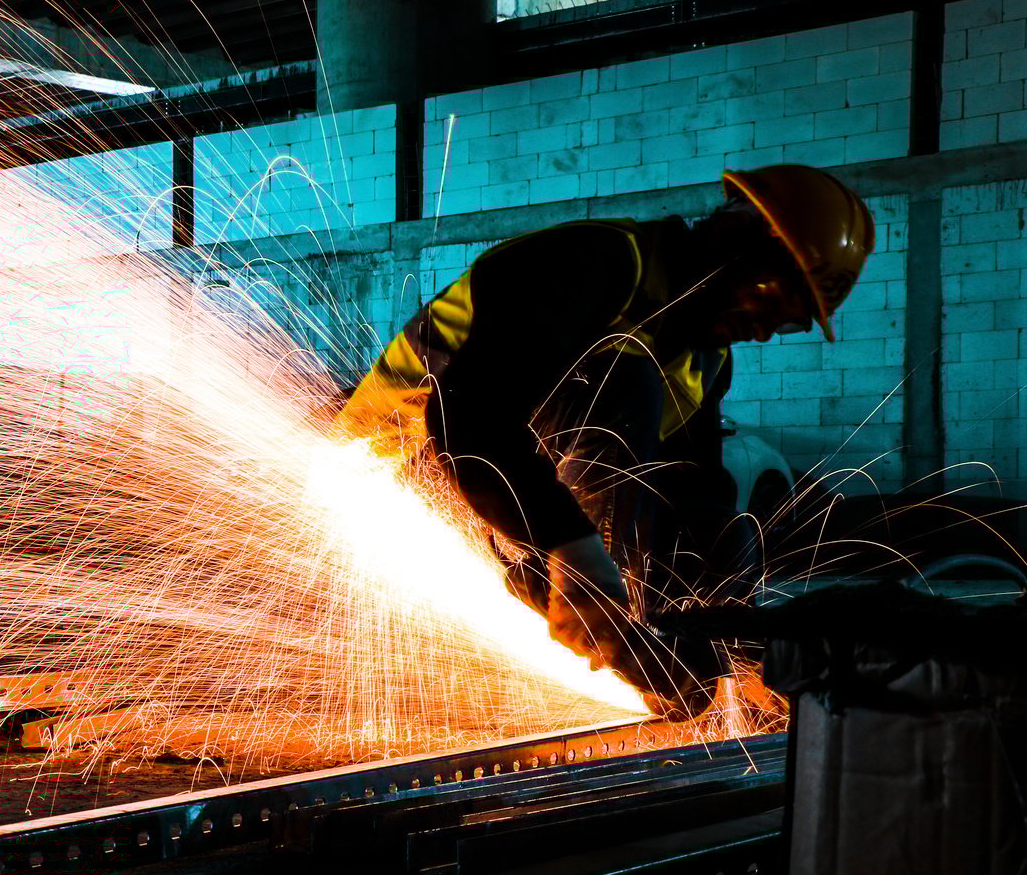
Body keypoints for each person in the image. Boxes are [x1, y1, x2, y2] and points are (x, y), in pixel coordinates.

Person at [338, 164, 874, 712]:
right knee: (622, 379)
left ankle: (644, 633)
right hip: (404, 468)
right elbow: (471, 419)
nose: (763, 331)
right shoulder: (597, 262)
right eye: (773, 303)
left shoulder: (705, 360)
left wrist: (724, 633)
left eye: (787, 324)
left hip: (499, 481)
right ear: (737, 241)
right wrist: (572, 551)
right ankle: (573, 595)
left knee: (720, 539)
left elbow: (691, 494)